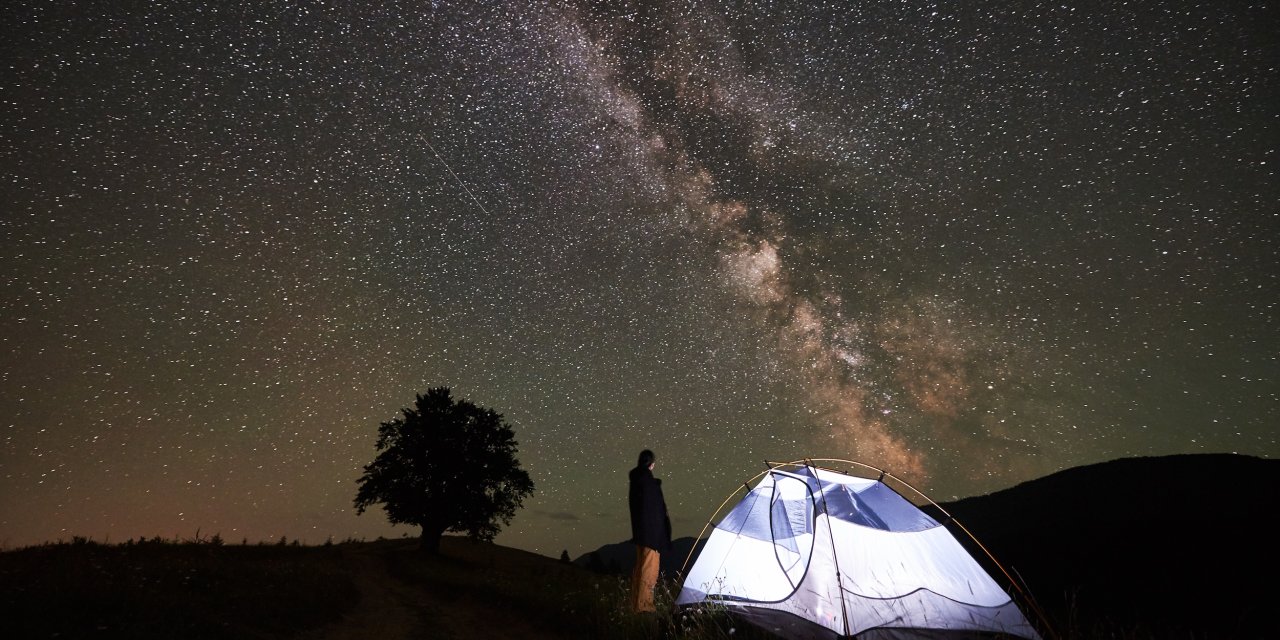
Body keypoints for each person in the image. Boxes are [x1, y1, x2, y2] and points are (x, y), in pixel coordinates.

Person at [628, 448, 671, 614]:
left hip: (640, 534)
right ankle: (644, 607)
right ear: (652, 465)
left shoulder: (637, 480)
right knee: (648, 571)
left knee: (640, 569)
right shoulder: (648, 483)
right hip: (651, 536)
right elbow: (656, 512)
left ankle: (636, 605)